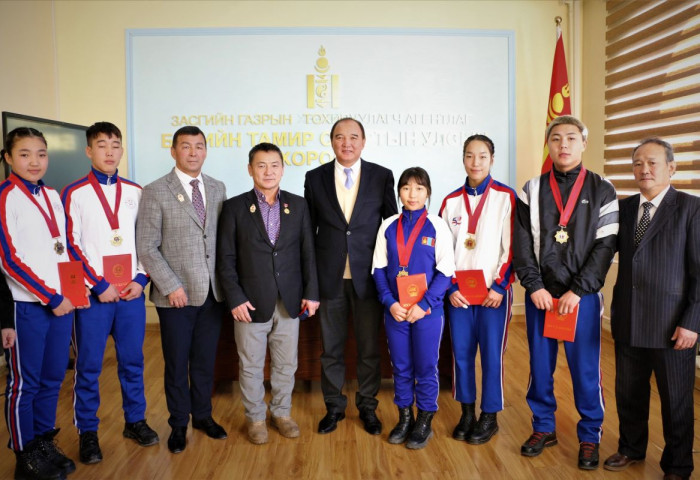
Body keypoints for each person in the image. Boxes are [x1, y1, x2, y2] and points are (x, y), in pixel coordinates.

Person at [513, 115, 618, 470]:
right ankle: (543, 427)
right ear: (549, 144)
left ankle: (590, 434)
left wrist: (579, 290)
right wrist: (534, 286)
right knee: (540, 368)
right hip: (541, 296)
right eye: (556, 138)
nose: (563, 145)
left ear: (583, 144)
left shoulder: (603, 189)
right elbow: (522, 243)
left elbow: (605, 247)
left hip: (581, 299)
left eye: (571, 138)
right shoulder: (531, 189)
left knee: (585, 369)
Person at [61, 122, 158, 465]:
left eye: (115, 145)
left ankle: (136, 420)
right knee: (88, 367)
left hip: (130, 295)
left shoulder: (136, 191)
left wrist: (141, 278)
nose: (110, 152)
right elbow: (69, 246)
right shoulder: (73, 193)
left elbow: (147, 240)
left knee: (133, 362)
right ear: (89, 151)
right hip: (93, 297)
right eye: (102, 145)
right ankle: (87, 432)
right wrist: (98, 285)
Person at [604, 138, 699, 480]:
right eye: (638, 163)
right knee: (629, 393)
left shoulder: (691, 208)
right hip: (629, 319)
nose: (644, 169)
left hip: (672, 326)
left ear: (671, 167)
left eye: (653, 163)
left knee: (676, 402)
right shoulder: (625, 208)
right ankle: (631, 447)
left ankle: (677, 465)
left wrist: (692, 323)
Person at [217, 142, 319, 445]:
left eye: (274, 165)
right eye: (261, 165)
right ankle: (256, 419)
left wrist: (311, 293)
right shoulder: (235, 207)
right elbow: (226, 258)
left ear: (283, 169)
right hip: (249, 301)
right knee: (250, 363)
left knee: (287, 363)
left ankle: (282, 413)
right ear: (250, 170)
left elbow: (308, 254)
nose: (268, 171)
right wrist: (234, 297)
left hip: (289, 300)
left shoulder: (298, 206)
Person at [136, 126, 227, 454]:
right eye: (185, 146)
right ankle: (178, 422)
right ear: (173, 151)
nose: (193, 152)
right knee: (176, 362)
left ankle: (203, 415)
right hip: (176, 296)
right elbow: (146, 247)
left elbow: (220, 242)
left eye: (199, 146)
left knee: (205, 360)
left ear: (205, 151)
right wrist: (170, 285)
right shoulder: (155, 190)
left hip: (212, 294)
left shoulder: (217, 188)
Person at [304, 117, 397, 435]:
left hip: (369, 279)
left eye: (353, 137)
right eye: (340, 137)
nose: (347, 142)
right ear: (331, 141)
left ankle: (368, 407)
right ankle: (334, 407)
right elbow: (308, 233)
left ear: (363, 141)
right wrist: (310, 282)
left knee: (369, 347)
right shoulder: (314, 177)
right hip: (329, 278)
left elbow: (390, 229)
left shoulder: (381, 176)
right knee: (331, 348)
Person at [1, 127, 81, 479]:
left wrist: (72, 294)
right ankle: (25, 454)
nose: (34, 162)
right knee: (25, 383)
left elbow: (61, 251)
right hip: (28, 306)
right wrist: (51, 297)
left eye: (41, 154)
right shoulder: (5, 196)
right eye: (24, 154)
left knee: (52, 379)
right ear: (8, 158)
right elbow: (8, 259)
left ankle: (44, 441)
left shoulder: (51, 194)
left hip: (62, 304)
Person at [439, 134, 516, 445]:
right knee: (461, 354)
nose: (475, 162)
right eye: (470, 156)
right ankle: (467, 411)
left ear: (492, 160)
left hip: (492, 295)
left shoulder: (505, 197)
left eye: (482, 156)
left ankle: (490, 415)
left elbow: (512, 248)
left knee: (492, 356)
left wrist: (499, 286)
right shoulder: (450, 201)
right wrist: (451, 287)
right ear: (463, 159)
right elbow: (442, 251)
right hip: (459, 294)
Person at [372, 167, 454, 449]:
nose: (412, 194)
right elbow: (379, 270)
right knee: (401, 366)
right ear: (399, 193)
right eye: (406, 188)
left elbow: (445, 272)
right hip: (396, 311)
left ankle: (425, 419)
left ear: (428, 192)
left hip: (426, 312)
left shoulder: (437, 225)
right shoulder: (388, 226)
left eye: (419, 188)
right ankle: (405, 416)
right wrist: (390, 303)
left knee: (426, 366)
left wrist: (424, 305)